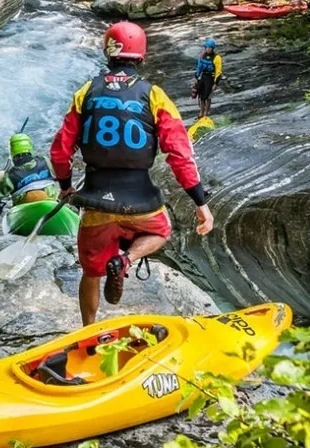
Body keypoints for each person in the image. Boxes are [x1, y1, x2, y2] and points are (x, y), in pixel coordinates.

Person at [50, 21, 215, 326]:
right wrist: (201, 203)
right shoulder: (155, 95)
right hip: (142, 202)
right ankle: (126, 259)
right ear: (141, 56)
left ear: (107, 53)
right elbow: (180, 154)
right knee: (161, 231)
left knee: (90, 273)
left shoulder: (85, 92)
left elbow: (60, 150)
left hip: (96, 201)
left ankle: (89, 331)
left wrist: (64, 186)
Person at [0, 133, 59, 238]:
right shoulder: (45, 161)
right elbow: (61, 175)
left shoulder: (9, 177)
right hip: (51, 206)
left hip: (26, 212)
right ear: (30, 148)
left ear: (12, 153)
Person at [193, 38, 223, 119]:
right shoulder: (202, 56)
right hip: (203, 77)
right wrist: (196, 76)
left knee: (207, 96)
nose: (208, 49)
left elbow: (218, 71)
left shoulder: (217, 57)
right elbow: (199, 67)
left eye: (210, 48)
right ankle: (201, 112)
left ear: (212, 48)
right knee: (201, 96)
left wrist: (216, 83)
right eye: (207, 47)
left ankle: (206, 113)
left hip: (211, 78)